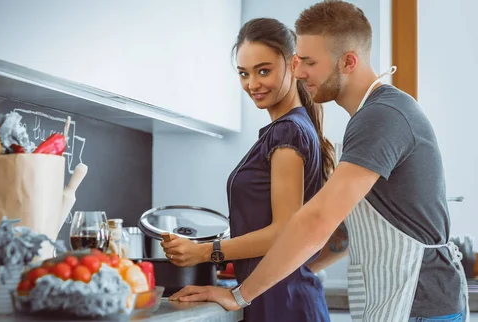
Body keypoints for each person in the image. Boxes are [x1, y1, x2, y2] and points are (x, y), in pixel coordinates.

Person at [169, 1, 469, 322]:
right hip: (403, 303)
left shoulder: (381, 116)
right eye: (298, 61)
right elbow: (343, 235)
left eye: (308, 62)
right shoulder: (369, 117)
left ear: (348, 62)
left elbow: (317, 221)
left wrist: (239, 294)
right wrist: (294, 271)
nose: (298, 72)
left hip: (419, 305)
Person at [161, 17, 342, 322]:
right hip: (282, 298)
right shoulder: (296, 129)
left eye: (263, 71)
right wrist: (294, 270)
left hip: (282, 307)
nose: (252, 84)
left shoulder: (288, 133)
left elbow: (284, 231)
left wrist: (205, 252)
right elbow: (340, 237)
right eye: (244, 73)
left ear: (294, 64)